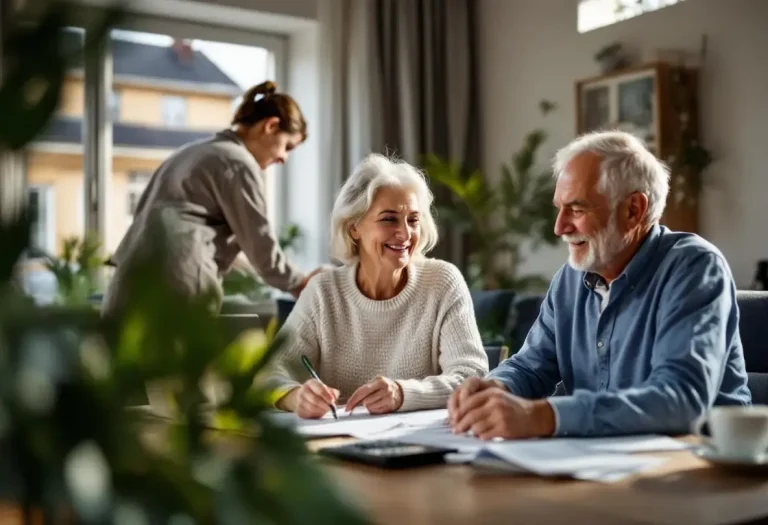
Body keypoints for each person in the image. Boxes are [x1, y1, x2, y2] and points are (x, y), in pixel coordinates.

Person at [448, 131, 751, 439]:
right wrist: (493, 388)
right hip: (598, 457)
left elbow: (680, 398)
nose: (559, 227)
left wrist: (543, 417)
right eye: (559, 208)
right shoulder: (569, 279)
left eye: (577, 209)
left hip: (697, 459)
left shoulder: (694, 267)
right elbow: (530, 367)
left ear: (633, 210)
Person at [265, 153, 489, 418]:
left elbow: (471, 375)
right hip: (337, 437)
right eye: (389, 219)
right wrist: (294, 397)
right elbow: (268, 373)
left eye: (413, 220)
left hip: (416, 439)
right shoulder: (323, 292)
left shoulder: (442, 282)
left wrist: (403, 393)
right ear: (354, 228)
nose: (405, 233)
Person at [102, 81, 323, 316]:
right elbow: (261, 248)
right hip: (178, 290)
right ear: (271, 126)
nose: (284, 158)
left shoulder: (190, 153)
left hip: (127, 287)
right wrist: (300, 283)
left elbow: (190, 235)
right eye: (287, 146)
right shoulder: (238, 163)